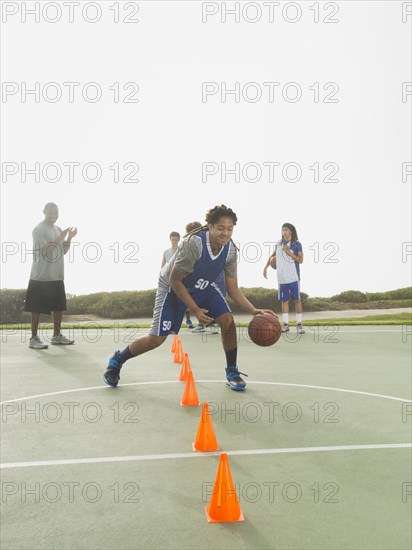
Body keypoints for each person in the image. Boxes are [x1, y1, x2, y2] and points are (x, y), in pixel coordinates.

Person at [104, 204, 276, 391]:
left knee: (228, 320)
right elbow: (175, 279)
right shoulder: (194, 244)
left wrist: (253, 310)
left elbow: (232, 287)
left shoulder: (231, 251)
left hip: (202, 286)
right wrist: (194, 309)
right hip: (171, 287)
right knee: (157, 339)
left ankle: (232, 371)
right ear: (210, 226)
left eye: (230, 229)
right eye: (220, 228)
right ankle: (117, 360)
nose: (225, 233)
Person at [24, 202, 77, 349]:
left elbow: (63, 251)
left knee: (58, 307)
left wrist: (69, 238)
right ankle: (34, 338)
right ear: (44, 212)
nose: (54, 215)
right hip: (40, 276)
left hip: (57, 275)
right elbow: (45, 251)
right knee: (37, 308)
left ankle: (56, 336)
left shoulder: (58, 229)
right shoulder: (38, 230)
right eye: (51, 213)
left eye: (56, 213)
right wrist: (61, 237)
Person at [263, 222, 305, 334]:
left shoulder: (297, 244)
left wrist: (289, 253)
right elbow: (273, 256)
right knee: (284, 301)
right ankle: (286, 325)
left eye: (286, 229)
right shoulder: (278, 244)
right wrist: (266, 267)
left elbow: (301, 260)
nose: (284, 232)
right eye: (282, 230)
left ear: (291, 231)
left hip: (293, 277)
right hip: (282, 278)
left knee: (297, 300)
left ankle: (299, 325)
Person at [185, 221, 220, 335]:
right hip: (198, 281)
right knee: (199, 304)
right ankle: (201, 324)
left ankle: (213, 324)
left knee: (208, 304)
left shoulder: (209, 244)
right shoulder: (192, 247)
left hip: (210, 280)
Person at [161, 231, 194, 329]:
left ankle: (188, 320)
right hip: (170, 281)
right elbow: (163, 267)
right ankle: (173, 324)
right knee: (173, 302)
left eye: (176, 240)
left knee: (184, 301)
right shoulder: (166, 252)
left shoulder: (182, 250)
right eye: (172, 240)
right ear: (170, 240)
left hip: (182, 279)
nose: (174, 241)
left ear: (179, 240)